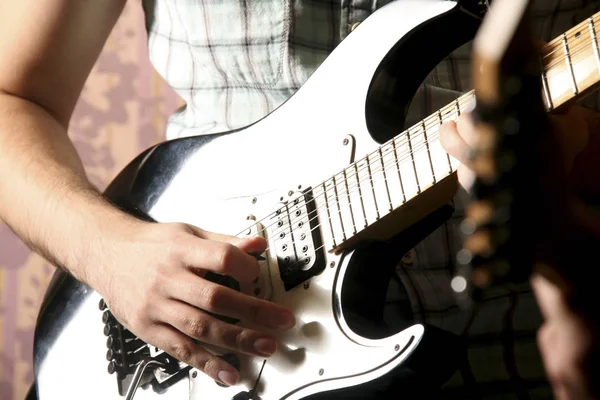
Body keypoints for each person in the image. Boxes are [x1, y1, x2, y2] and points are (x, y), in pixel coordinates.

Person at [0, 0, 597, 398]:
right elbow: (10, 98)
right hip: (213, 362)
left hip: (523, 348)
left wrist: (577, 145)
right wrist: (111, 253)